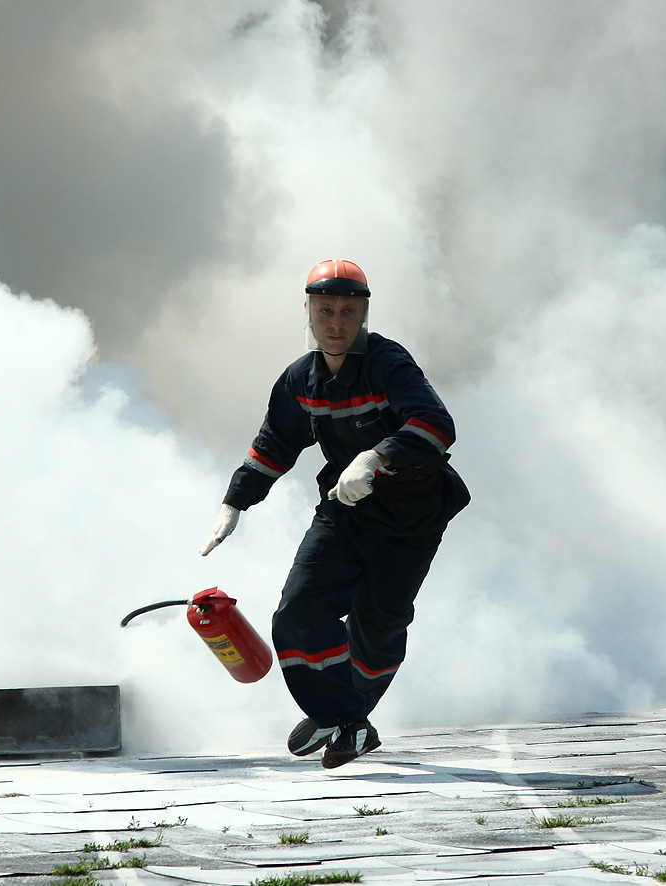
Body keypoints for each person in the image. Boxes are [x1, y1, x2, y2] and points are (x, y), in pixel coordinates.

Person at [200, 259, 470, 769]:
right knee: (298, 609)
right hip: (344, 511)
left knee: (379, 623)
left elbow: (435, 425)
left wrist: (377, 456)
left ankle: (349, 716)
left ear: (364, 313)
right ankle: (338, 716)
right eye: (325, 311)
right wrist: (235, 500)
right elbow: (275, 444)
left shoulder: (389, 364)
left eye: (349, 311)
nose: (336, 322)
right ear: (308, 311)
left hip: (413, 514)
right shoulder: (301, 378)